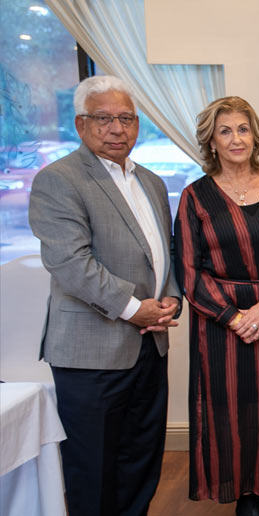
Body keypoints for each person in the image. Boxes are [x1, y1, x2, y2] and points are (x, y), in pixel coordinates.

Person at [28, 75, 181, 516]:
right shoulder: (59, 180)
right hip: (90, 354)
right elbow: (71, 263)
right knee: (91, 466)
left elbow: (164, 250)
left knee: (140, 457)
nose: (117, 128)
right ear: (81, 124)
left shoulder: (149, 181)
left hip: (150, 345)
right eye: (104, 118)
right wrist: (135, 309)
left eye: (126, 119)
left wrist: (170, 298)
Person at [174, 96, 259, 516]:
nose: (236, 139)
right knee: (231, 404)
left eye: (243, 129)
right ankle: (244, 492)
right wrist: (233, 316)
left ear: (256, 136)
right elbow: (189, 270)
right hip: (219, 323)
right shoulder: (195, 197)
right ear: (212, 140)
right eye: (226, 130)